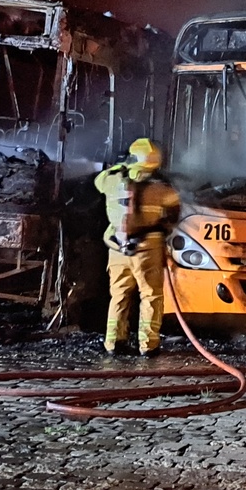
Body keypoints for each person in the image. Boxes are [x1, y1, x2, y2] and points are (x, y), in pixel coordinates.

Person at [93, 137, 181, 355]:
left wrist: (121, 166)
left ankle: (113, 342)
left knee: (119, 295)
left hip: (117, 248)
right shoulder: (160, 189)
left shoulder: (110, 181)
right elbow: (176, 203)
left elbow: (98, 180)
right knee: (150, 296)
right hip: (147, 249)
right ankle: (148, 346)